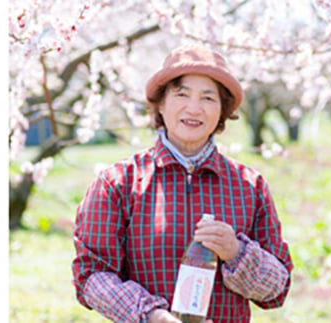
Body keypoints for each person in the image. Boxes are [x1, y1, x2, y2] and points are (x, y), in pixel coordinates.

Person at [72, 44, 293, 322]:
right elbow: (92, 275)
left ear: (223, 110)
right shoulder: (118, 182)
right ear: (161, 105)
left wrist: (236, 252)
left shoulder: (249, 186)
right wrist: (151, 316)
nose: (194, 108)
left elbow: (277, 290)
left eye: (208, 98)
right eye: (181, 94)